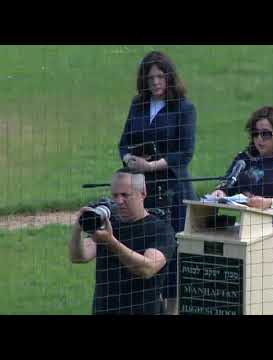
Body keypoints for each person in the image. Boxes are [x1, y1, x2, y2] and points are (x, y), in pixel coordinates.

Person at [210, 106, 273, 315]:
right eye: (255, 134)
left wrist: (268, 203)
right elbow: (228, 183)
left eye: (266, 134)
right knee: (254, 295)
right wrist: (220, 192)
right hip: (251, 234)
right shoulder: (245, 158)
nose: (259, 140)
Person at [118, 51, 197, 311]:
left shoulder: (184, 108)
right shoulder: (137, 104)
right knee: (145, 246)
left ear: (169, 77)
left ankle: (172, 310)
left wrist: (150, 166)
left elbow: (184, 153)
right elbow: (124, 142)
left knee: (171, 251)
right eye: (150, 77)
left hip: (174, 190)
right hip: (143, 191)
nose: (155, 82)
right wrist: (129, 158)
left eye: (160, 76)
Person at [69, 169, 175, 315]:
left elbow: (147, 269)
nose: (119, 201)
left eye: (125, 195)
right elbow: (79, 257)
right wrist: (78, 228)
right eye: (115, 195)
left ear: (143, 193)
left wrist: (111, 242)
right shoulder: (108, 224)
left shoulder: (161, 229)